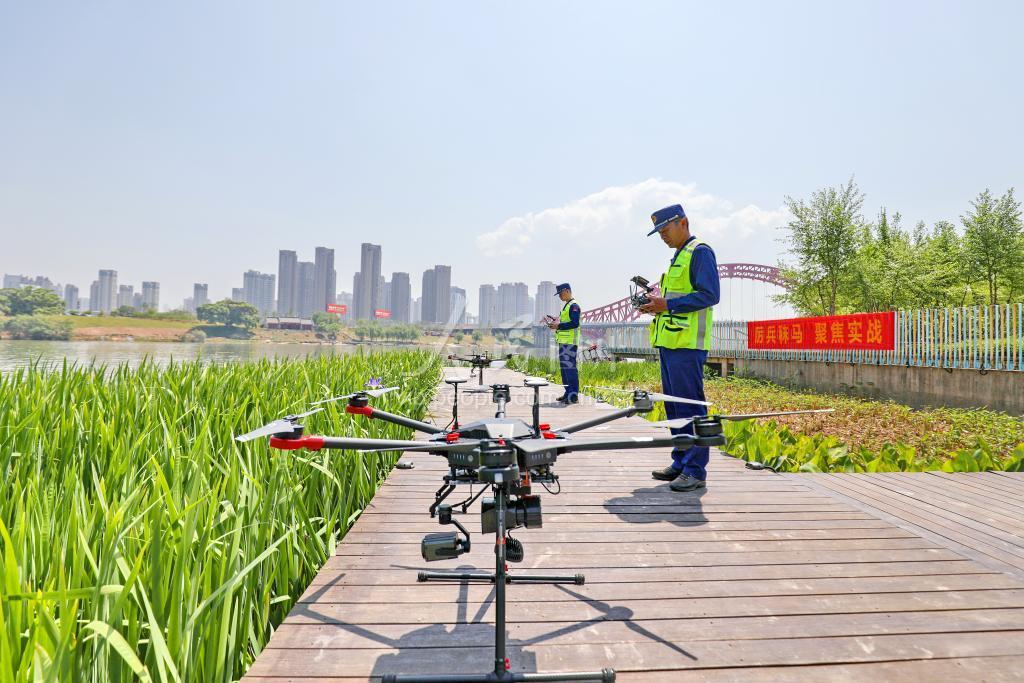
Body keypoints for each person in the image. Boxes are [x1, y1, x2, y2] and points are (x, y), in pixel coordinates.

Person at [638, 204, 720, 492]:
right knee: (674, 406)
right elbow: (673, 299)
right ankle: (681, 461)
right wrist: (656, 305)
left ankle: (695, 470)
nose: (662, 235)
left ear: (683, 222)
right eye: (658, 231)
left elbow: (710, 295)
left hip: (687, 345)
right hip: (669, 343)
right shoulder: (678, 256)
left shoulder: (700, 252)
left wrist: (668, 304)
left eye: (665, 229)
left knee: (690, 406)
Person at [546, 283, 581, 404]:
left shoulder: (574, 306)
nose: (560, 296)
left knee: (570, 369)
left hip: (570, 343)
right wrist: (556, 321)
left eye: (560, 293)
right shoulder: (567, 306)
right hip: (563, 342)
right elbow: (566, 321)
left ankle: (573, 396)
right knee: (565, 370)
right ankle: (568, 393)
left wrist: (558, 325)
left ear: (567, 291)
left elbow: (575, 323)